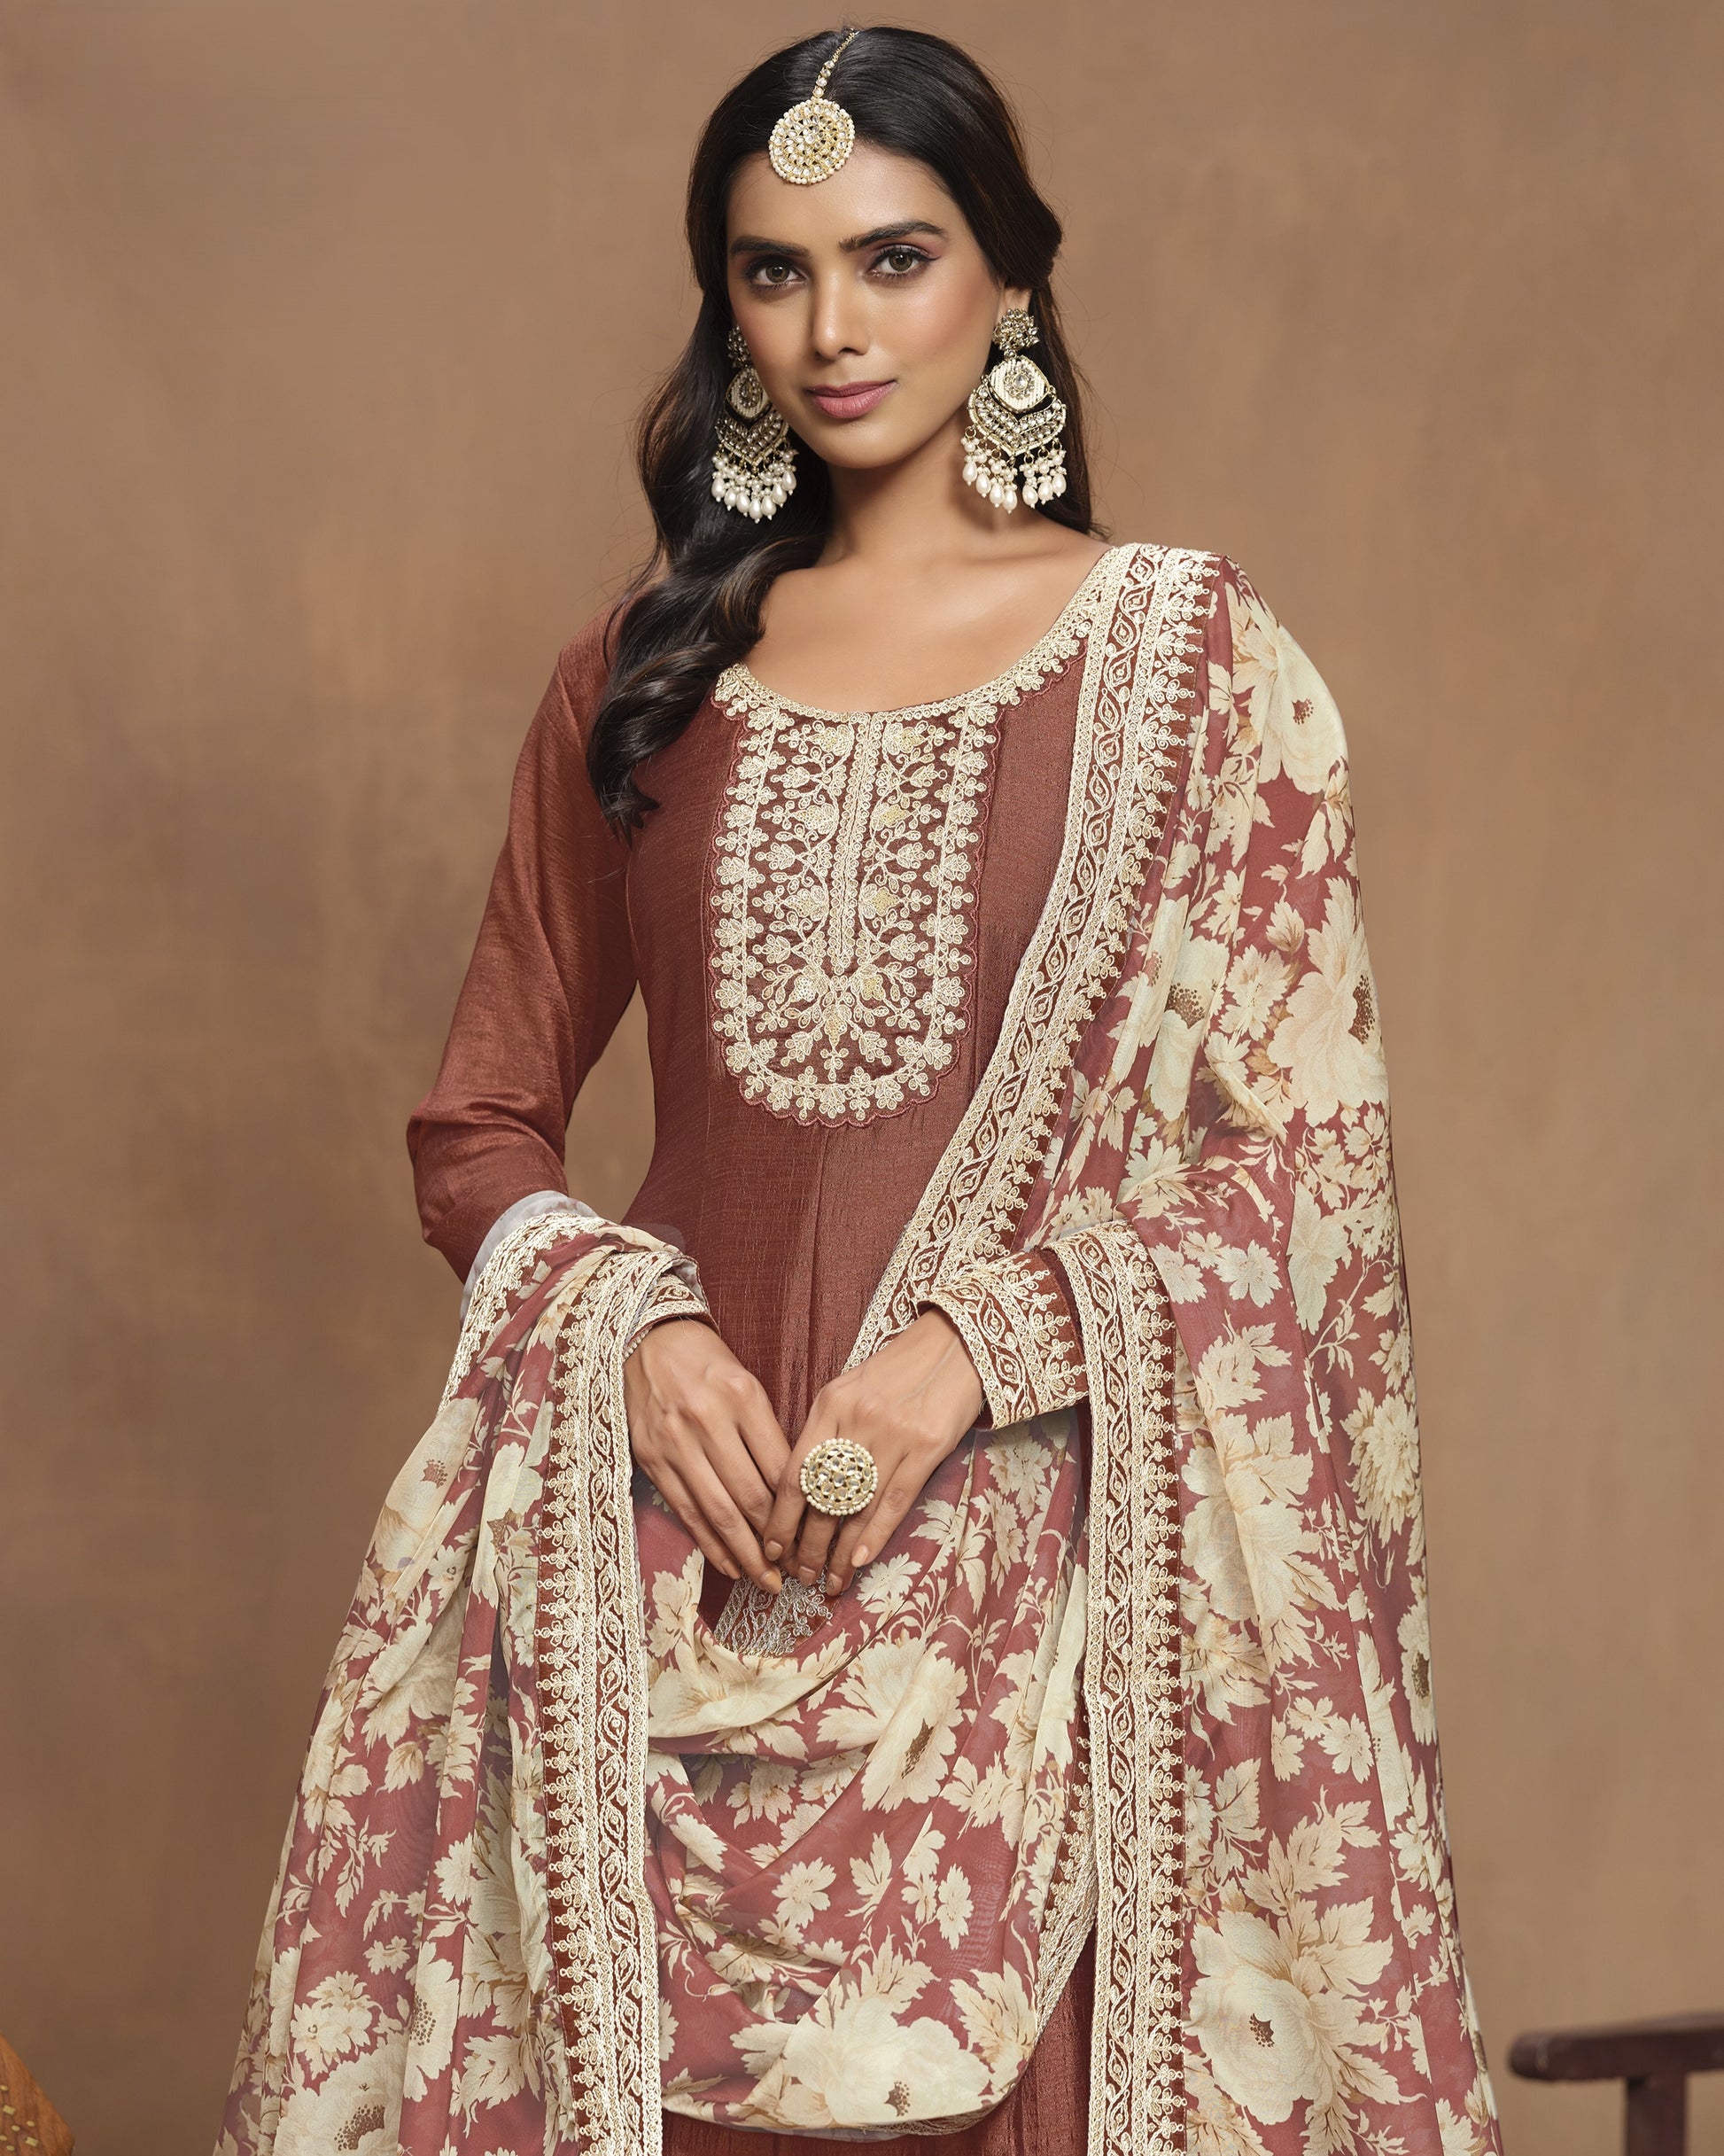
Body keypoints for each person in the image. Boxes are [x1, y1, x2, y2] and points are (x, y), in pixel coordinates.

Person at [220, 27, 1503, 2156]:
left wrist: (967, 1350)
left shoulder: (1189, 666)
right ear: (724, 310)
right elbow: (479, 1121)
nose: (833, 328)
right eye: (772, 270)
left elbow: (1300, 1166)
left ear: (1008, 281)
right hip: (658, 1580)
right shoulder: (640, 673)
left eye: (894, 258)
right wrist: (619, 1330)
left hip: (1038, 1611)